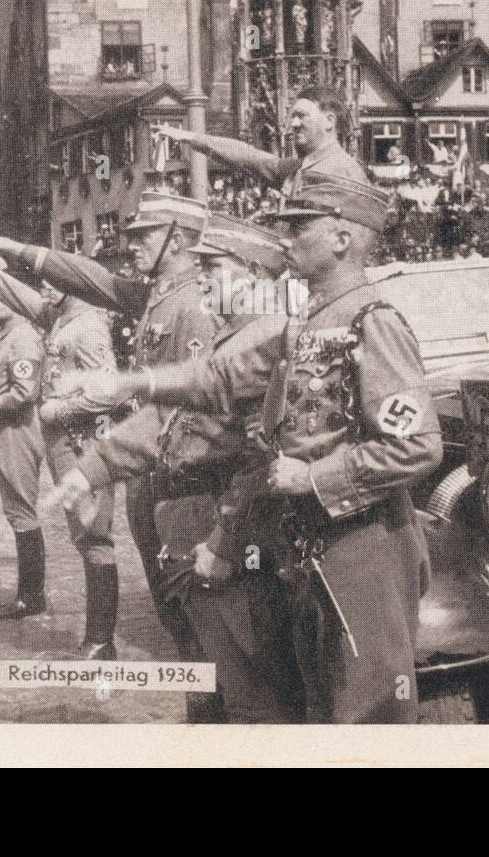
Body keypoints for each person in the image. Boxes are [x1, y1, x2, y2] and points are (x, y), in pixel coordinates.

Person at [55, 173, 443, 723]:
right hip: (312, 548)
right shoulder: (302, 326)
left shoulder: (370, 321)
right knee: (321, 709)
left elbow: (417, 447)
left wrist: (313, 479)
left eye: (300, 226)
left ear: (342, 238)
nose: (286, 238)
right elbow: (217, 379)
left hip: (366, 550)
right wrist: (131, 385)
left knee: (369, 714)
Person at [0, 194, 225, 718]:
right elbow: (74, 275)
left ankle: (207, 711)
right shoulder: (153, 297)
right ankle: (203, 710)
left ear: (182, 240)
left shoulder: (192, 304)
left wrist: (64, 413)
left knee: (194, 603)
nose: (132, 241)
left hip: (178, 470)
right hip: (148, 464)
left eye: (146, 234)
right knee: (170, 596)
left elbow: (189, 401)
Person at [41, 213, 306, 721]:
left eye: (216, 267)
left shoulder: (266, 339)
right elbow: (168, 417)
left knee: (254, 693)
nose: (203, 278)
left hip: (232, 535)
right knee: (212, 674)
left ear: (253, 276)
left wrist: (223, 540)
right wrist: (91, 469)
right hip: (197, 523)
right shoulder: (234, 338)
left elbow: (262, 458)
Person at [0, 228, 121, 658]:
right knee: (84, 537)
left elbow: (109, 390)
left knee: (95, 537)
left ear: (70, 286)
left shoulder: (88, 327)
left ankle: (101, 641)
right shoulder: (63, 318)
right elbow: (19, 295)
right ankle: (97, 638)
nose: (44, 288)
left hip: (84, 442)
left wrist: (55, 411)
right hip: (67, 440)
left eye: (53, 281)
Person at [0, 287, 48, 620]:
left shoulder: (22, 339)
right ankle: (30, 593)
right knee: (17, 510)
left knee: (21, 511)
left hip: (16, 431)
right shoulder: (10, 337)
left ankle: (31, 596)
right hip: (6, 431)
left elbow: (24, 394)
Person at [154, 86, 367, 197]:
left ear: (329, 121)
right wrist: (188, 137)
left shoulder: (345, 172)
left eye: (301, 116)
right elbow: (248, 157)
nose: (292, 124)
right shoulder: (299, 168)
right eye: (292, 116)